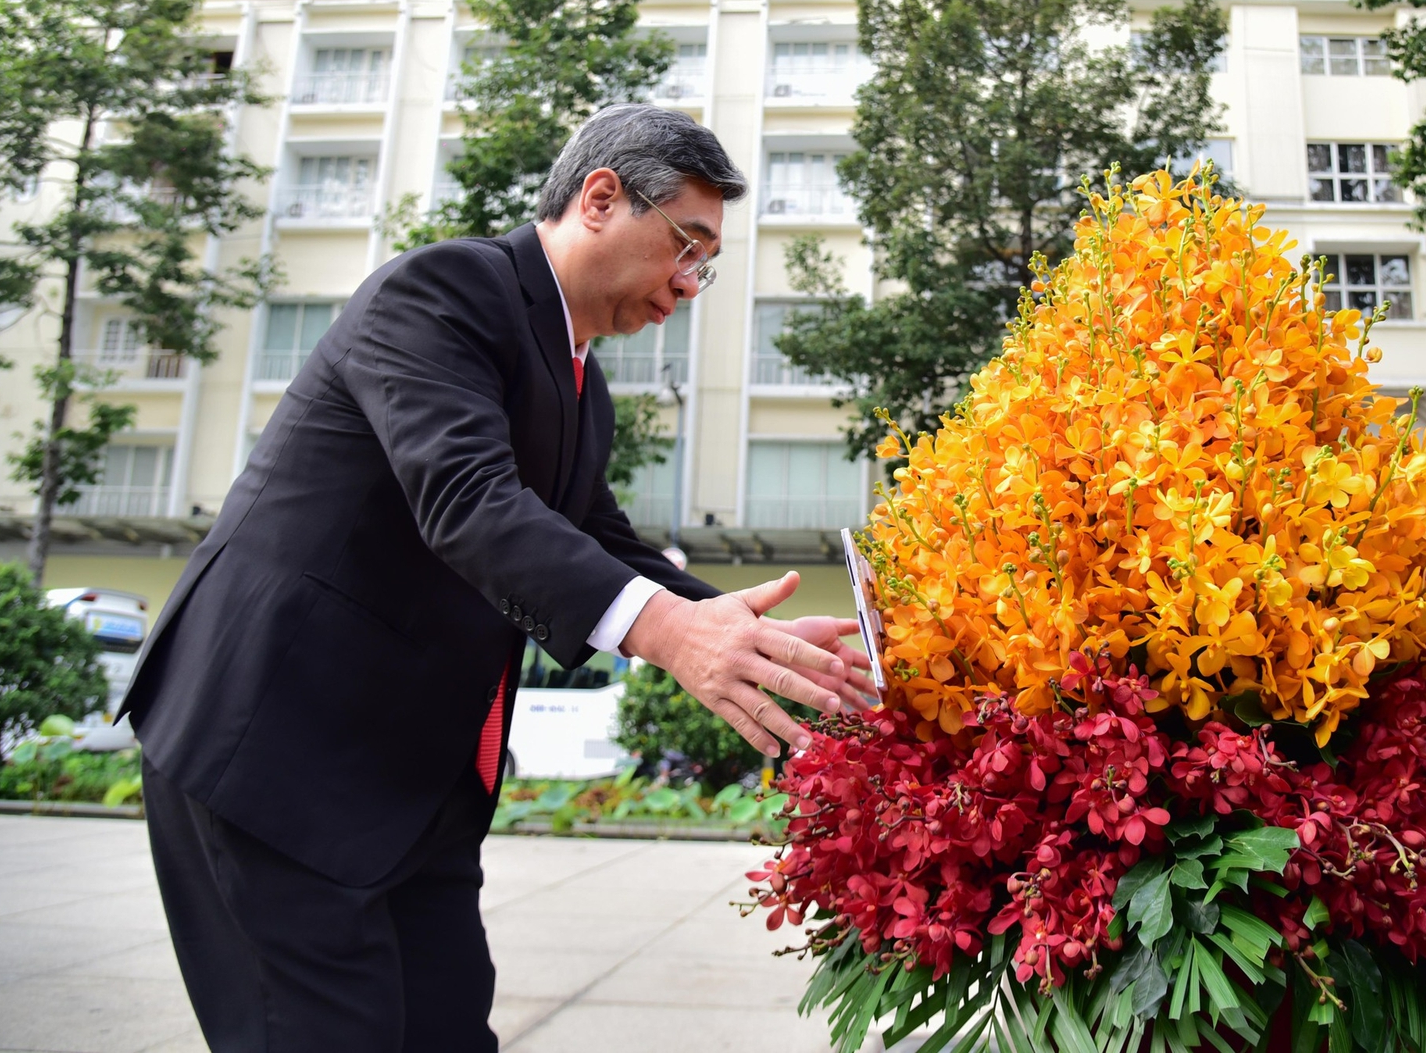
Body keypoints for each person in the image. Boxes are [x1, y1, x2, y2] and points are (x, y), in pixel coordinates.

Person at [120, 106, 875, 1052]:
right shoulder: (443, 292)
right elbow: (468, 501)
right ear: (601, 198)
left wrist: (739, 634)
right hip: (275, 746)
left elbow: (598, 539)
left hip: (407, 782)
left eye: (705, 262)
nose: (690, 283)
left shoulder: (582, 386)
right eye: (687, 245)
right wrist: (672, 635)